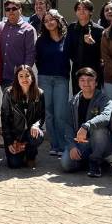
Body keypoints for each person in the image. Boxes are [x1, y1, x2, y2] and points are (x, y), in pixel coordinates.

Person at [62, 67, 112, 177]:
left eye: (90, 80)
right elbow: (68, 125)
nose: (86, 83)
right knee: (66, 165)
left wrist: (86, 126)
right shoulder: (73, 102)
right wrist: (72, 146)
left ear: (96, 83)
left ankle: (96, 161)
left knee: (99, 129)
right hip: (82, 143)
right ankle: (93, 161)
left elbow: (106, 116)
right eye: (82, 80)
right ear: (78, 83)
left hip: (101, 143)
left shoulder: (104, 99)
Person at [35, 9, 70, 156]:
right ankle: (54, 145)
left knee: (60, 113)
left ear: (58, 20)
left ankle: (63, 145)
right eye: (46, 20)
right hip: (45, 78)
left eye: (52, 19)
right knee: (48, 113)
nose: (49, 22)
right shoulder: (41, 40)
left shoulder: (66, 38)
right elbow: (37, 59)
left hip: (61, 78)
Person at [0, 65, 45, 169]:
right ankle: (20, 151)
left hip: (30, 133)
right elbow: (5, 119)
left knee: (38, 136)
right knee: (14, 164)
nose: (24, 79)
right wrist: (10, 142)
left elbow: (41, 116)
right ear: (16, 78)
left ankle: (30, 156)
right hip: (15, 135)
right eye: (21, 76)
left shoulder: (40, 93)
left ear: (32, 77)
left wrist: (36, 125)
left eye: (27, 75)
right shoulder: (8, 93)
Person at [65, 0, 104, 95]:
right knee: (77, 97)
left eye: (85, 8)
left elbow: (103, 53)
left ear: (90, 12)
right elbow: (67, 49)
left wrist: (92, 44)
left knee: (94, 97)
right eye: (78, 9)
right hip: (77, 69)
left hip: (94, 69)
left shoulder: (98, 30)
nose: (81, 11)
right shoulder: (71, 28)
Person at [0, 0, 37, 89]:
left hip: (19, 77)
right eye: (7, 9)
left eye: (14, 9)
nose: (11, 11)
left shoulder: (29, 29)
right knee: (6, 102)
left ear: (20, 10)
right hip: (3, 75)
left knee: (20, 103)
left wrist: (24, 74)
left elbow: (30, 54)